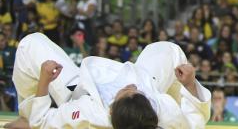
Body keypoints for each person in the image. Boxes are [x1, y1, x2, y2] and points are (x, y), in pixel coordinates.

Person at [10, 33, 211, 128]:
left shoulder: (87, 116)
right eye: (137, 93)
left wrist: (44, 82)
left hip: (83, 89)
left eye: (125, 92)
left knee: (30, 44)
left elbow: (42, 122)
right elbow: (195, 121)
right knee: (170, 50)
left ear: (111, 108)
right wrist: (190, 84)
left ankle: (23, 116)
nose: (129, 87)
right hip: (144, 79)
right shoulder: (162, 111)